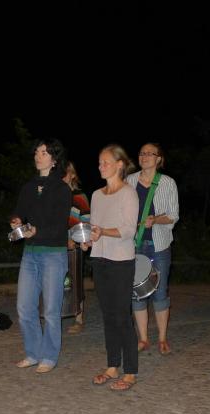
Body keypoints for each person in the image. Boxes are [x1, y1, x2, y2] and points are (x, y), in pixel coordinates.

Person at [11, 139, 72, 373]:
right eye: (37, 152)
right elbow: (19, 212)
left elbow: (59, 226)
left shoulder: (62, 189)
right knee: (24, 307)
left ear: (54, 160)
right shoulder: (29, 187)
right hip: (30, 254)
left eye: (44, 153)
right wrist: (17, 220)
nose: (38, 156)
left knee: (51, 310)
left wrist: (37, 231)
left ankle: (49, 356)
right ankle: (33, 353)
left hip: (53, 255)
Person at [85, 145, 140, 391]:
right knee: (108, 316)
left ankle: (131, 371)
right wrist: (88, 239)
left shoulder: (129, 193)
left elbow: (129, 230)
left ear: (120, 164)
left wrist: (102, 232)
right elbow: (94, 227)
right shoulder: (96, 195)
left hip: (121, 261)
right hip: (100, 259)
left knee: (122, 316)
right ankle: (112, 365)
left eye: (105, 162)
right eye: (99, 162)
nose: (101, 166)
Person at [126, 143, 179, 355]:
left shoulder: (168, 183)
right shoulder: (129, 181)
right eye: (142, 153)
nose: (145, 156)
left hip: (159, 245)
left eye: (150, 153)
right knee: (137, 292)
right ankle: (143, 338)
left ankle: (163, 338)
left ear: (159, 159)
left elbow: (173, 216)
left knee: (160, 291)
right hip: (134, 245)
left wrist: (155, 220)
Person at [63, 161, 90, 334]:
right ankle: (58, 313)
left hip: (75, 245)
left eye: (65, 172)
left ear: (72, 175)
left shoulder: (79, 196)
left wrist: (76, 239)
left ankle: (79, 318)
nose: (62, 176)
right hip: (55, 244)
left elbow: (86, 221)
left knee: (75, 280)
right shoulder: (54, 195)